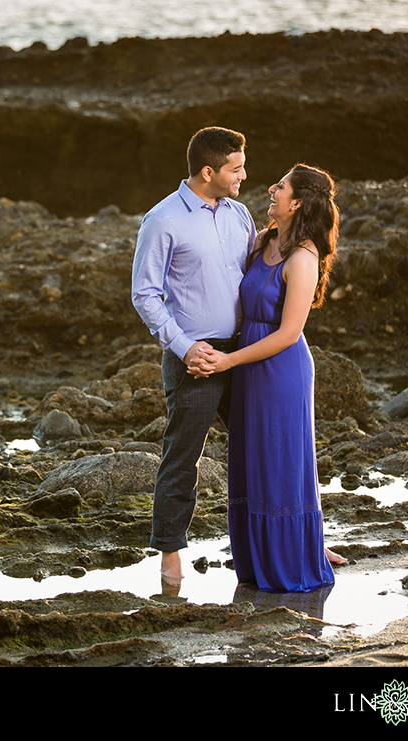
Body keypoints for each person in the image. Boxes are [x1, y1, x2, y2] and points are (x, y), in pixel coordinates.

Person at [190, 163, 343, 592]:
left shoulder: (304, 256)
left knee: (280, 462)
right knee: (253, 462)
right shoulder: (266, 239)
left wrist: (227, 361)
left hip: (279, 370)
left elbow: (289, 333)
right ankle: (265, 557)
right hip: (248, 367)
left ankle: (295, 555)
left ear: (295, 202)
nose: (271, 190)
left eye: (280, 187)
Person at [131, 126, 257, 584]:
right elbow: (145, 294)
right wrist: (185, 348)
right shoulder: (162, 220)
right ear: (209, 171)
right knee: (182, 456)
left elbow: (258, 271)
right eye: (236, 168)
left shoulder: (240, 214)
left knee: (263, 447)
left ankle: (282, 536)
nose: (244, 175)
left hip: (244, 354)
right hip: (196, 360)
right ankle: (170, 557)